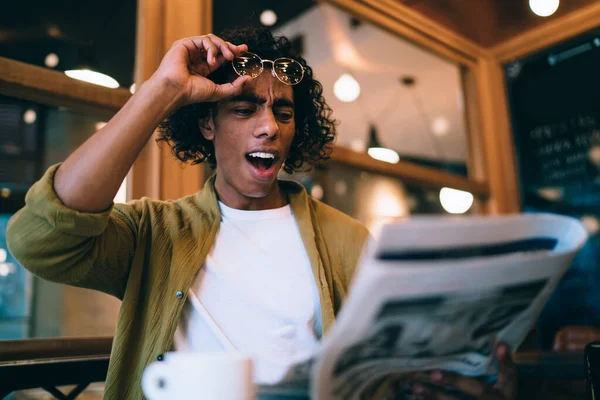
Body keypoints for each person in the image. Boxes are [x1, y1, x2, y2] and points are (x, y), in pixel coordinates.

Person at [6, 27, 515, 399]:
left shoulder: (349, 240)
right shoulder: (156, 231)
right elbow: (39, 240)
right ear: (207, 124)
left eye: (284, 112)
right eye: (245, 109)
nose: (269, 126)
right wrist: (163, 92)